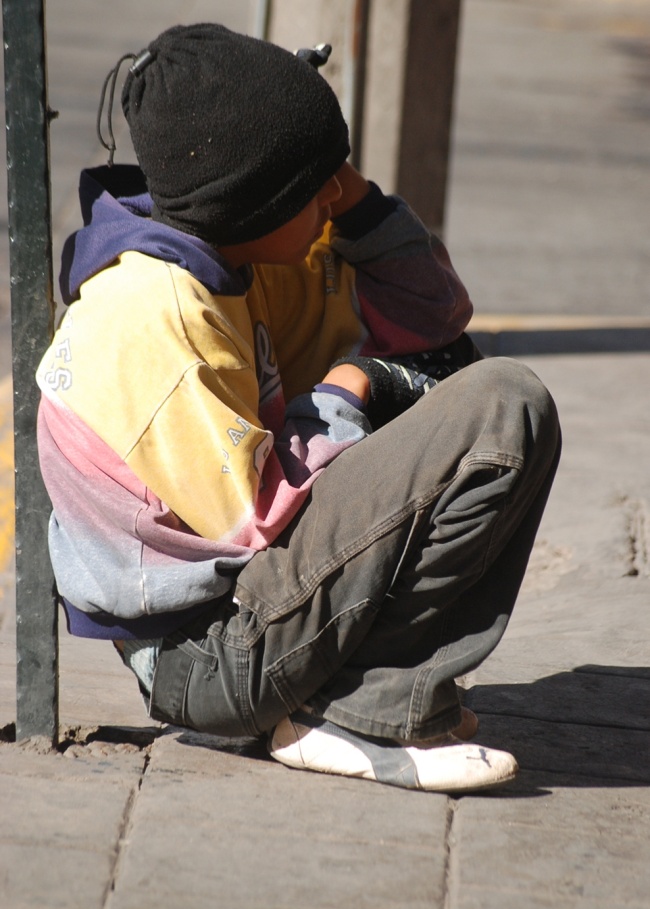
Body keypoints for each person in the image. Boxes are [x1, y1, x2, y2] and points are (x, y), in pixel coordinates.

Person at [36, 23, 560, 793]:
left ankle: (363, 694)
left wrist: (352, 197)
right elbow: (248, 521)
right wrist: (344, 393)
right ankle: (346, 709)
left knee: (458, 378)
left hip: (244, 619)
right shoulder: (154, 315)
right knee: (501, 409)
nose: (333, 194)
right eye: (314, 185)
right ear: (248, 200)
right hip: (209, 653)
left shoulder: (235, 252)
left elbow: (433, 320)